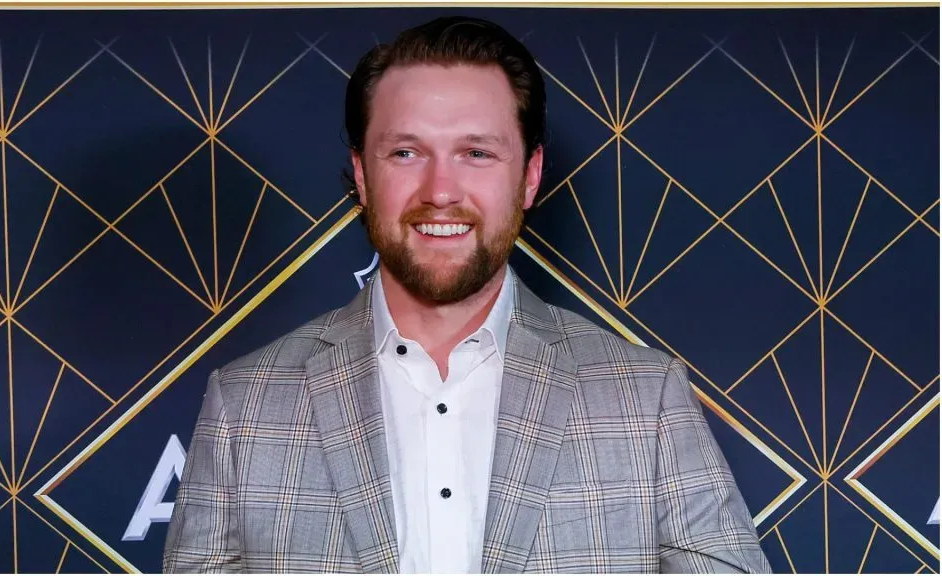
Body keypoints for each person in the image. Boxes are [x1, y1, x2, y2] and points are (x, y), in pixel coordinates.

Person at [162, 15, 771, 574]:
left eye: (476, 153)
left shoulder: (646, 397)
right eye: (406, 152)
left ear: (529, 176)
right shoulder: (245, 405)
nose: (440, 190)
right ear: (364, 174)